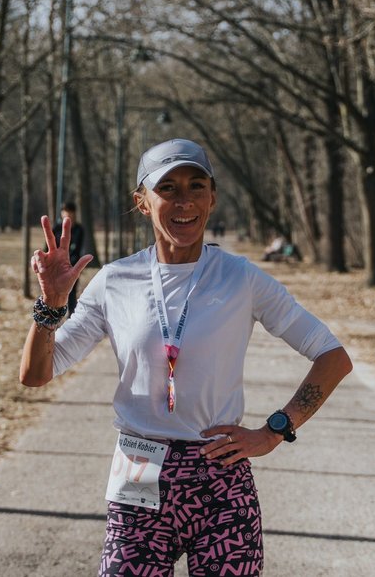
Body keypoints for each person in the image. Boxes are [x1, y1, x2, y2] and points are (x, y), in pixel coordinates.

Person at [20, 138, 353, 576]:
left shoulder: (241, 278)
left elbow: (332, 357)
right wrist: (49, 307)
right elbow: (36, 374)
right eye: (168, 189)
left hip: (221, 481)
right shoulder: (116, 280)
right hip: (139, 475)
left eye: (196, 186)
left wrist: (274, 431)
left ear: (212, 197)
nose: (185, 201)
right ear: (142, 202)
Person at [51, 201, 85, 315]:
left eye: (70, 213)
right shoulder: (56, 228)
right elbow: (48, 248)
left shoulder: (79, 230)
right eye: (65, 212)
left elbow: (78, 249)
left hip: (72, 267)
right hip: (56, 268)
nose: (67, 215)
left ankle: (71, 318)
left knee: (71, 294)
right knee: (54, 294)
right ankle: (53, 319)